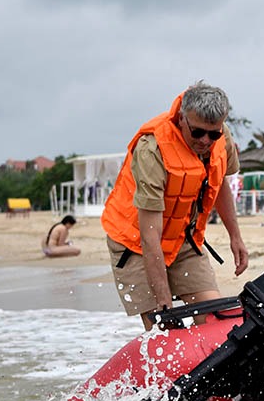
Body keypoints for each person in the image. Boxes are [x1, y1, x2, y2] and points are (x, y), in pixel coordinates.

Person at [101, 82, 250, 329]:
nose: (206, 141)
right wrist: (163, 300)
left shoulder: (221, 137)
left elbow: (219, 180)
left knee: (216, 323)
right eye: (198, 132)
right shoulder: (152, 149)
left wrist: (236, 236)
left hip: (183, 238)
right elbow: (150, 238)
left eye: (213, 133)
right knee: (166, 332)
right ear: (182, 119)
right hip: (135, 243)